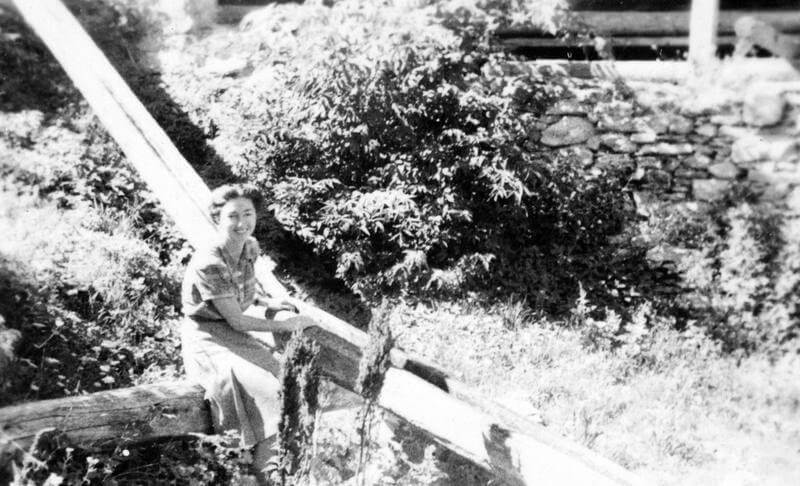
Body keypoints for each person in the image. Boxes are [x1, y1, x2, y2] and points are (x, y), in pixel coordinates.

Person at [180, 183, 313, 483]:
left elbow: (243, 289)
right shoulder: (210, 263)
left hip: (232, 332)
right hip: (208, 338)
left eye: (248, 213)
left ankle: (279, 469)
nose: (241, 223)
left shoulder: (248, 246)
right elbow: (238, 320)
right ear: (218, 218)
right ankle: (263, 475)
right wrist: (286, 325)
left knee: (285, 380)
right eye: (232, 216)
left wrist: (267, 303)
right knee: (266, 390)